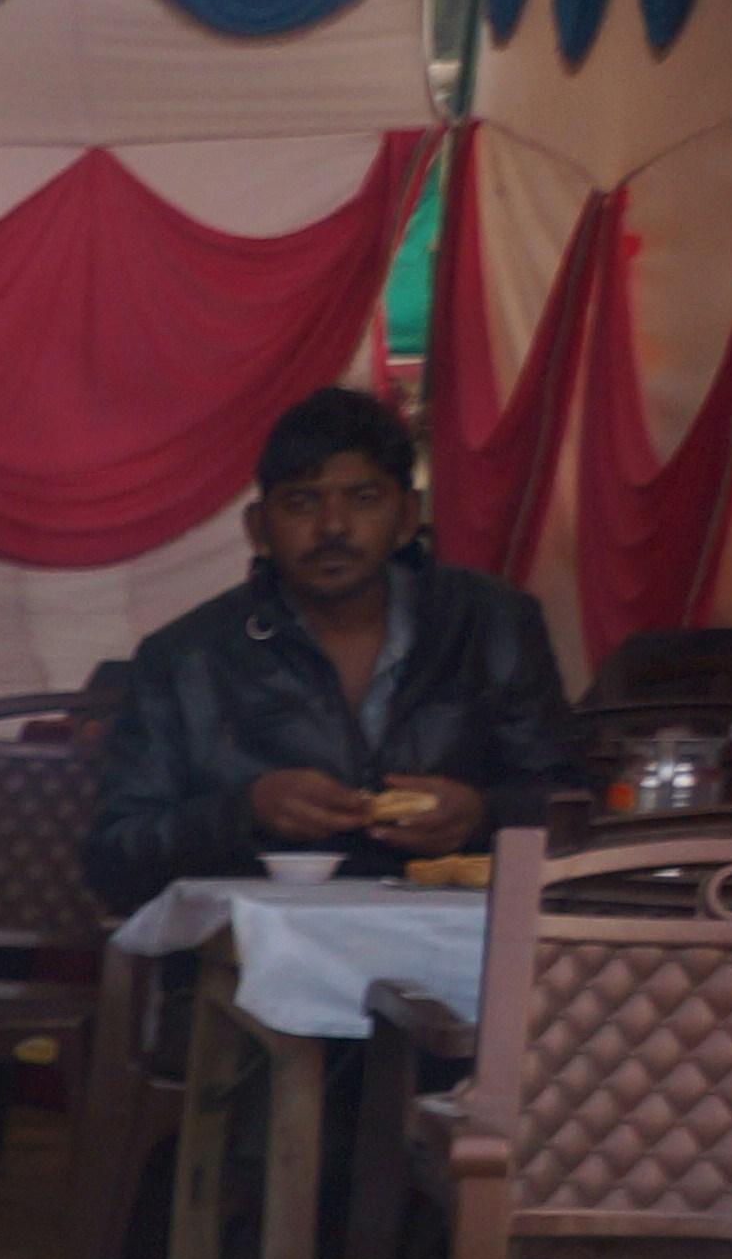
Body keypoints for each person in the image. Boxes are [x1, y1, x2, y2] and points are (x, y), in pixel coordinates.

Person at [84, 384, 579, 913]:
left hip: (460, 958)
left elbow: (572, 808)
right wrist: (244, 811)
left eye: (364, 499)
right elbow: (115, 861)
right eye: (302, 502)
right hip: (248, 973)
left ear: (408, 516)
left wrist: (482, 815)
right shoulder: (186, 657)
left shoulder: (493, 625)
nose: (333, 527)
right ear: (259, 527)